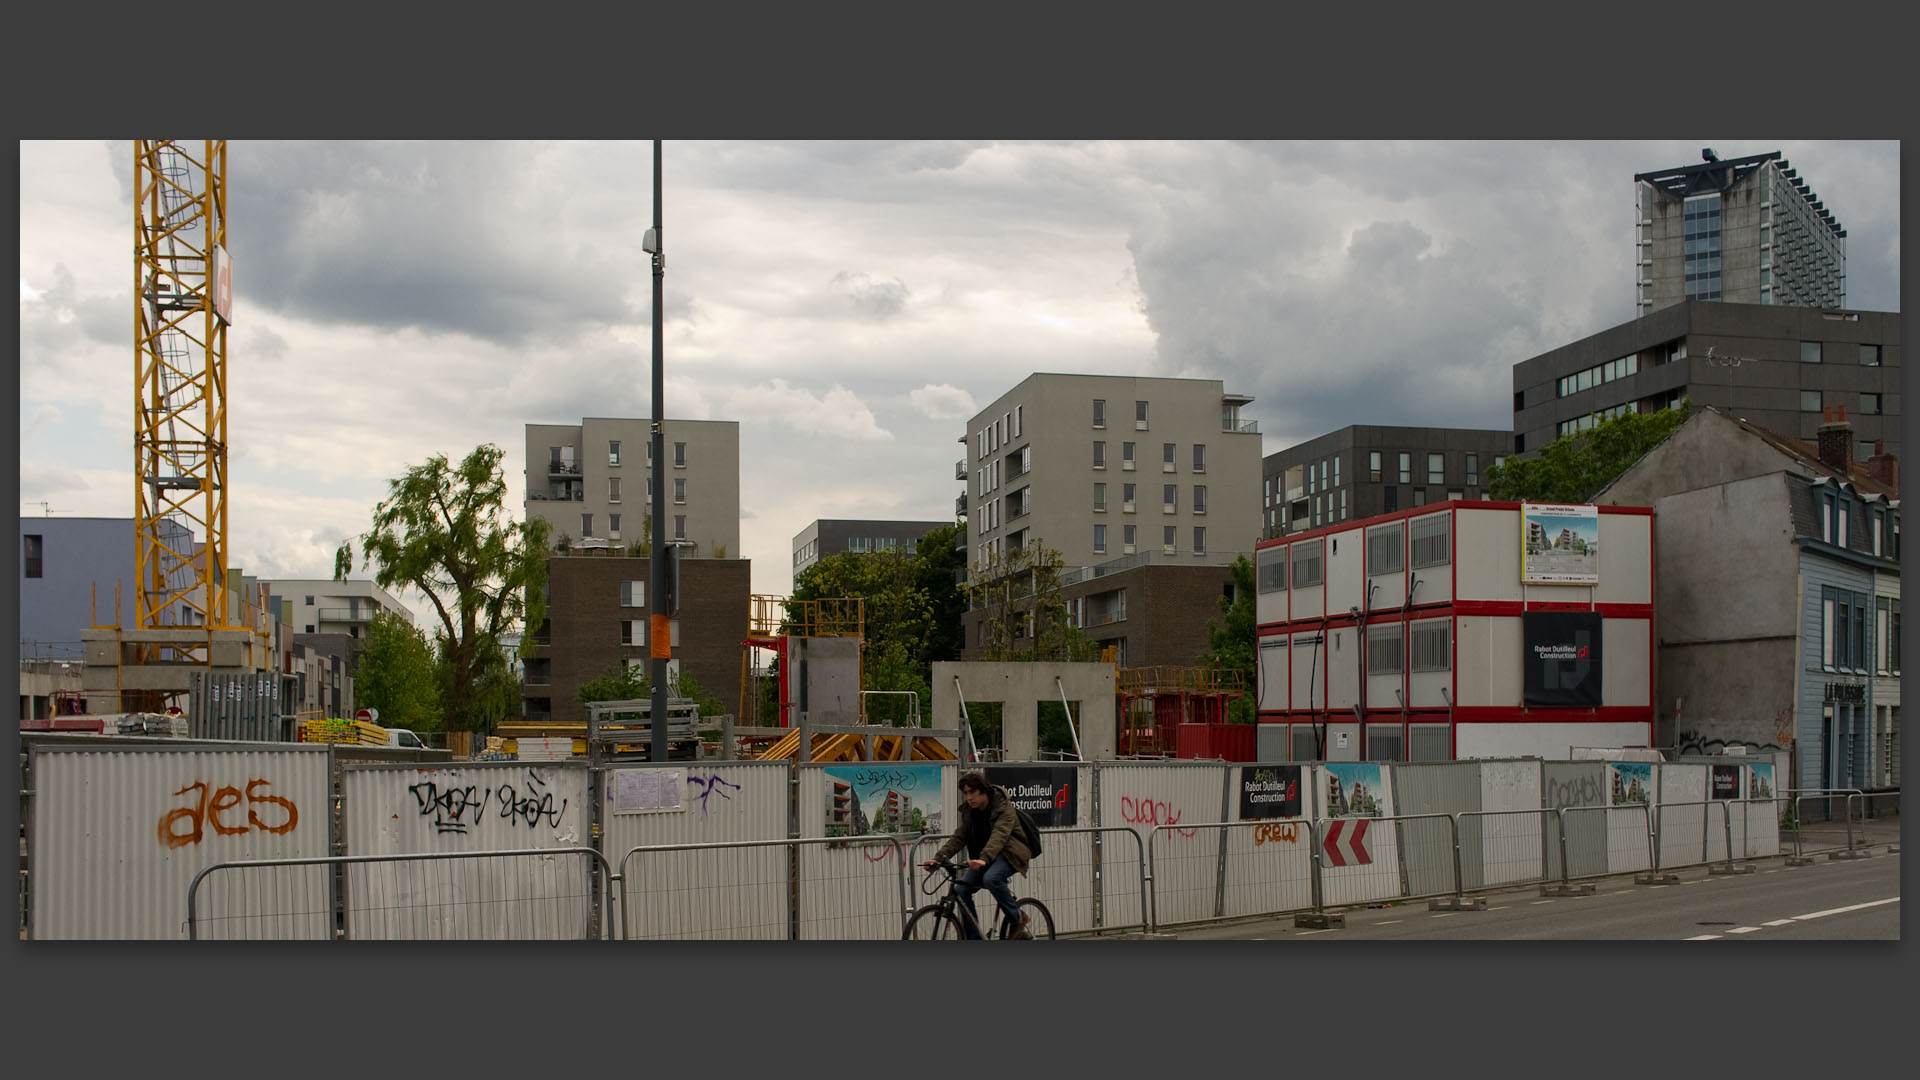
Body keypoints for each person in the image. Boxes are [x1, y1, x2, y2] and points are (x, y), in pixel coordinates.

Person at [925, 771, 1034, 939]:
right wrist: (938, 858)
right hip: (987, 857)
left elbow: (1000, 835)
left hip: (1010, 853)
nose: (968, 797)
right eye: (966, 793)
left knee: (991, 879)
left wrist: (983, 859)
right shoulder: (970, 811)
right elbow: (959, 837)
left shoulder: (1003, 807)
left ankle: (1017, 918)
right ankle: (974, 938)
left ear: (983, 791)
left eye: (972, 792)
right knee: (961, 889)